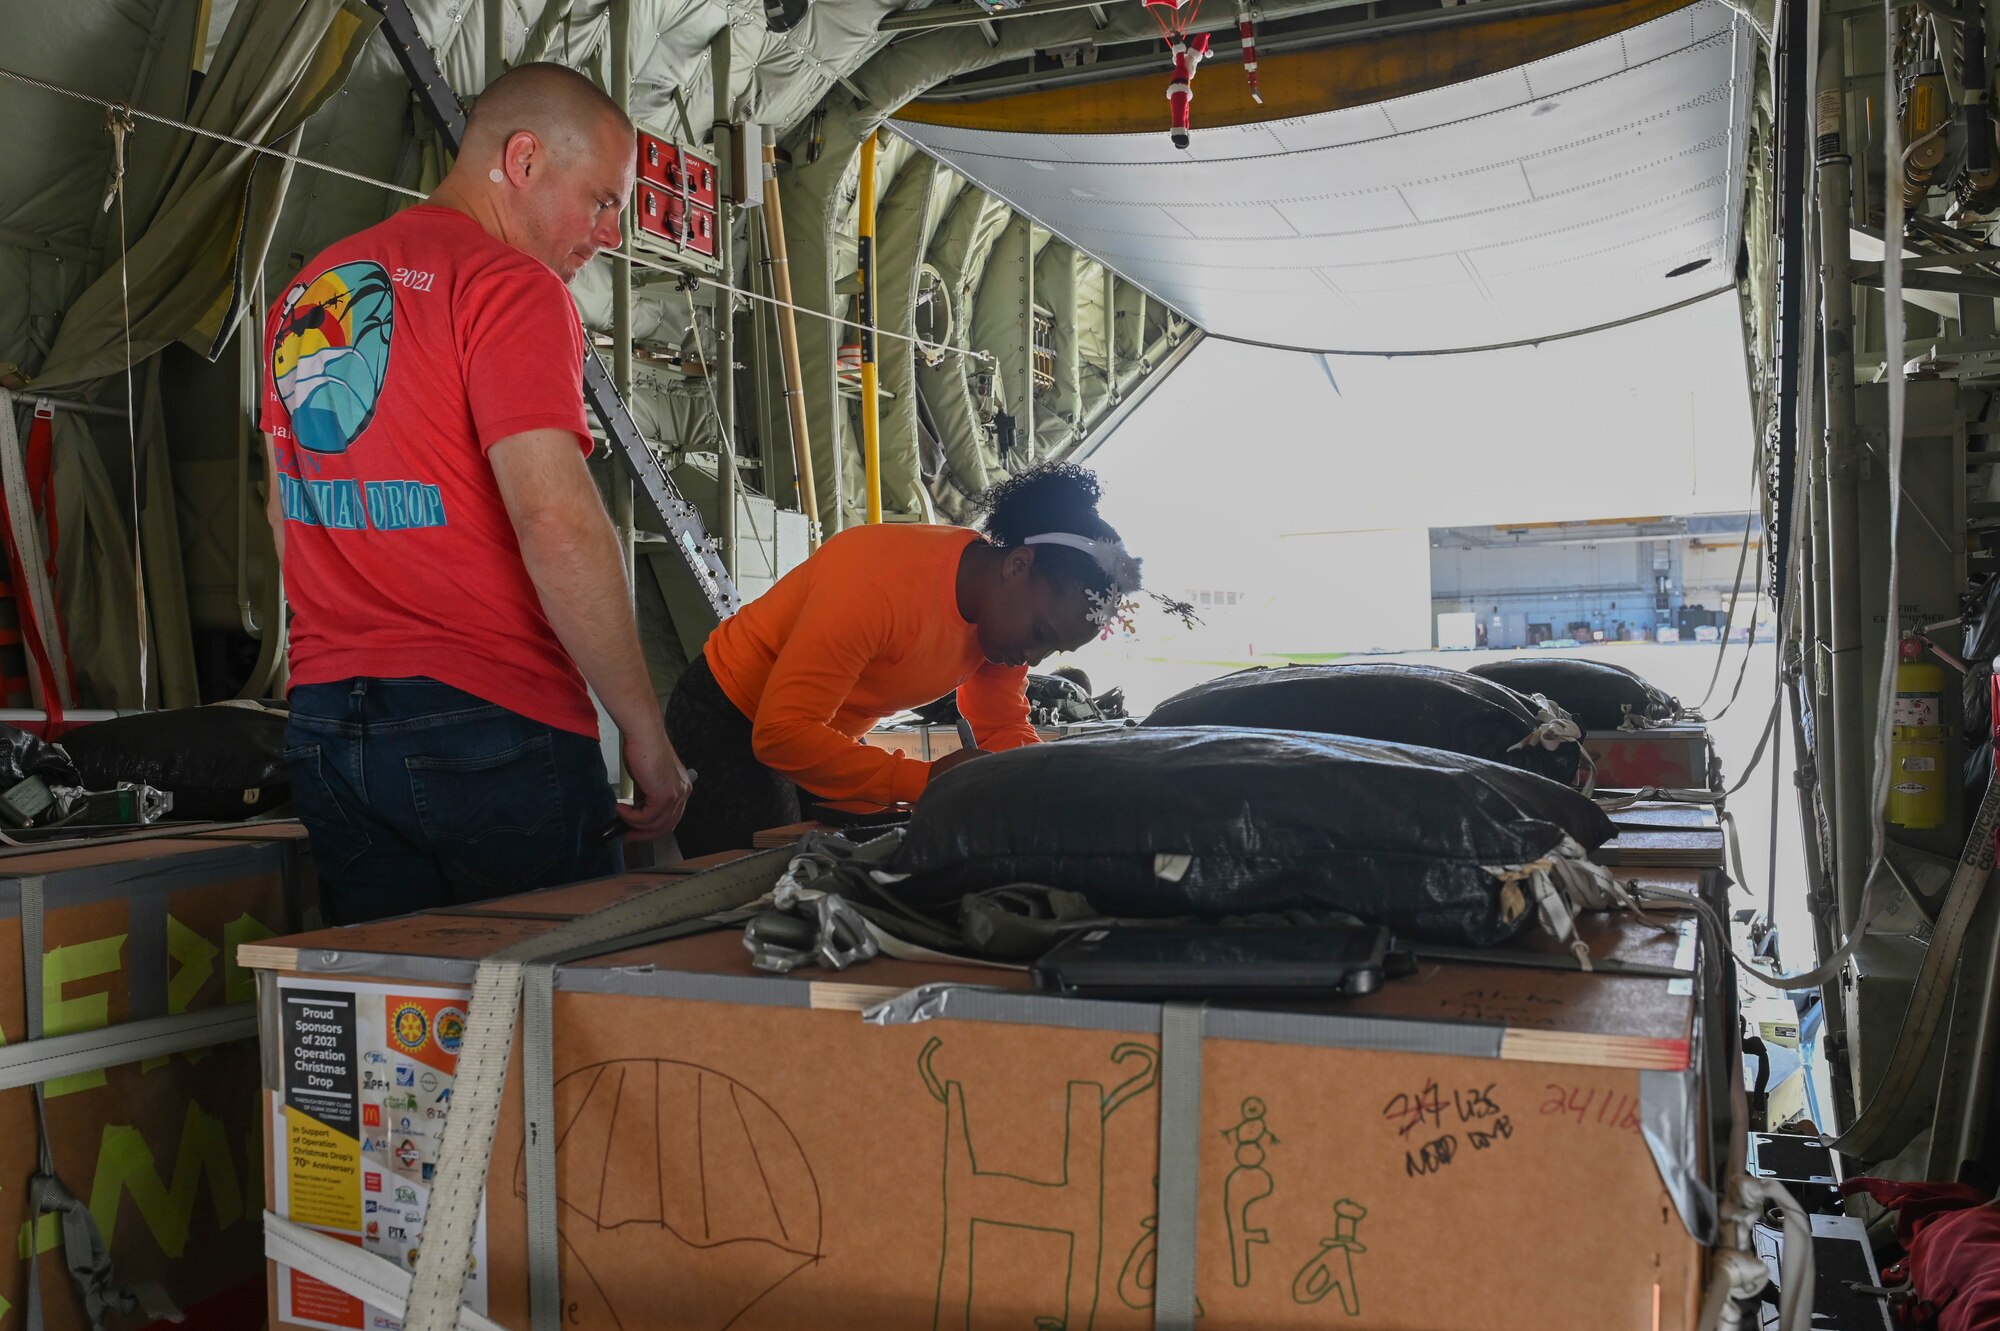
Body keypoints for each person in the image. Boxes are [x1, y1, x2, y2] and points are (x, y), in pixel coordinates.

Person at [259, 62, 691, 924]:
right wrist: (642, 729)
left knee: (399, 1028)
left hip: (330, 730)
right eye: (602, 200)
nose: (609, 232)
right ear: (524, 160)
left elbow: (286, 510)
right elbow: (556, 521)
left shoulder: (313, 289)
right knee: (551, 1027)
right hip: (491, 723)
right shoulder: (510, 289)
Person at [665, 463, 1144, 856]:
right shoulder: (878, 585)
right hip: (729, 717)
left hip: (816, 737)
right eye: (1041, 634)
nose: (1033, 658)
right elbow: (782, 736)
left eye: (1052, 649)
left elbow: (1002, 727)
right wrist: (923, 781)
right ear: (1017, 565)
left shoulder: (1006, 625)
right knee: (763, 880)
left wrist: (1043, 785)